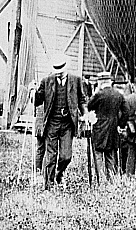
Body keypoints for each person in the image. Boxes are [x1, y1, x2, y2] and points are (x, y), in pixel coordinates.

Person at [32, 53, 88, 190]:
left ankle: (60, 173)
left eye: (60, 72)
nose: (58, 74)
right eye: (56, 72)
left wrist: (85, 115)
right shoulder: (47, 81)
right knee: (50, 156)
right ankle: (48, 185)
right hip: (52, 123)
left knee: (66, 156)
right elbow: (38, 101)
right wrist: (33, 92)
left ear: (66, 69)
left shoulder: (76, 80)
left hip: (68, 123)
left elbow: (81, 100)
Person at [87, 71, 129, 180]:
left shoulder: (99, 94)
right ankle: (111, 179)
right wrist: (121, 125)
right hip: (113, 128)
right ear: (110, 81)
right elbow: (126, 111)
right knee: (110, 154)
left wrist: (95, 91)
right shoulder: (118, 95)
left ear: (100, 82)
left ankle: (100, 180)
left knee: (98, 154)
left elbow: (89, 106)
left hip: (99, 128)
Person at [34, 104, 45, 173]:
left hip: (40, 128)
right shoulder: (42, 105)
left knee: (40, 149)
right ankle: (38, 168)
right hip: (42, 128)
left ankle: (38, 169)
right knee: (41, 149)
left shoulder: (39, 105)